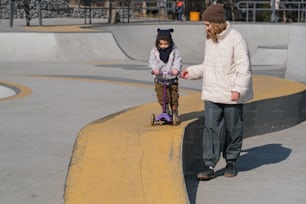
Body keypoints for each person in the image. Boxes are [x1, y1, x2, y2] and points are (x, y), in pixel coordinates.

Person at [180, 4, 253, 180]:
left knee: (233, 129)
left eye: (207, 24)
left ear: (217, 23)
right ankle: (209, 165)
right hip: (212, 92)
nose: (205, 28)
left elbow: (244, 67)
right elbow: (209, 66)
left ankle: (231, 162)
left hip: (231, 93)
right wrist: (191, 72)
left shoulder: (236, 38)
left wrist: (238, 89)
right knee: (210, 129)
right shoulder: (210, 40)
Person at [149, 28, 183, 123]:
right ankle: (165, 111)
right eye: (161, 44)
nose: (163, 46)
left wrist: (176, 69)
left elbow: (178, 60)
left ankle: (174, 111)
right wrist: (155, 69)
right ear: (158, 43)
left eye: (166, 44)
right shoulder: (154, 51)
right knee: (162, 97)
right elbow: (152, 61)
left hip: (171, 78)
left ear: (170, 42)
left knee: (173, 96)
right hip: (159, 78)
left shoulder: (175, 50)